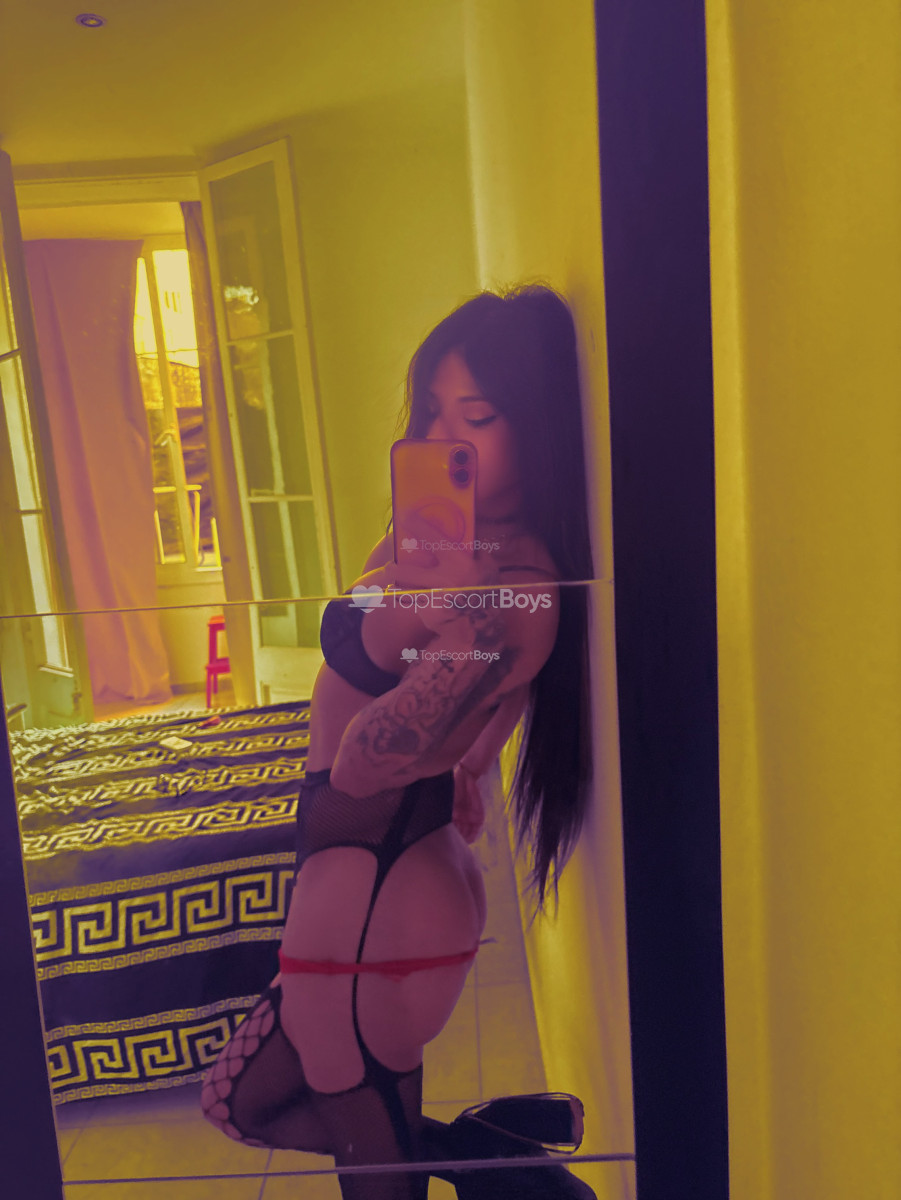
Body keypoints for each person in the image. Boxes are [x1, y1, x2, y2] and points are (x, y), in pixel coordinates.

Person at [201, 286, 596, 1199]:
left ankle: (485, 1161)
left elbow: (365, 760)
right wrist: (468, 756)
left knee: (371, 1172)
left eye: (477, 416)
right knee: (239, 1104)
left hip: (378, 895)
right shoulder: (444, 540)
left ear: (536, 427)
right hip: (361, 877)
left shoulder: (513, 590)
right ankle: (488, 1154)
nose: (444, 437)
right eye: (429, 410)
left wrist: (447, 615)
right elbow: (453, 677)